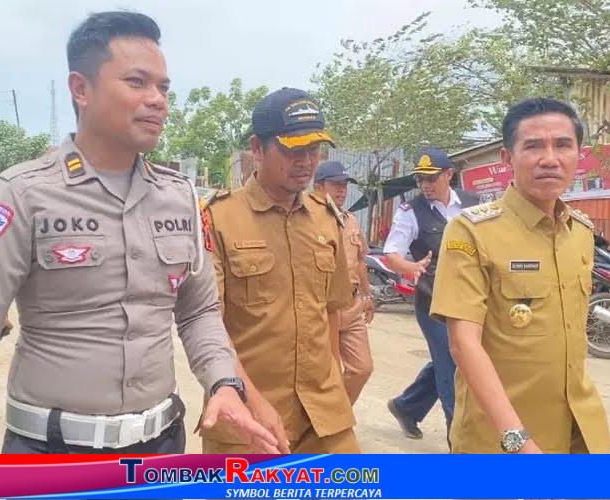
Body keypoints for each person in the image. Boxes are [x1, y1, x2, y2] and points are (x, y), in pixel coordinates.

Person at [0, 11, 277, 455]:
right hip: (52, 456)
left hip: (160, 448)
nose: (158, 100)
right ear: (80, 89)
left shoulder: (179, 197)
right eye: (137, 82)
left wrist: (224, 383)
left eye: (163, 88)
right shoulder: (23, 193)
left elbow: (198, 311)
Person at [431, 97, 610, 453]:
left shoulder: (580, 231)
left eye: (563, 145)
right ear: (507, 157)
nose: (550, 158)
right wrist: (517, 440)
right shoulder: (472, 231)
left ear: (578, 154)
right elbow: (463, 344)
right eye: (533, 146)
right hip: (500, 440)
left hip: (582, 431)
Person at [201, 88, 359, 454]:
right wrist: (251, 401)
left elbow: (331, 311)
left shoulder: (326, 218)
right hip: (248, 416)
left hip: (324, 416)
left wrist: (334, 383)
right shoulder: (218, 219)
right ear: (258, 148)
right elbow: (207, 326)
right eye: (292, 150)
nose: (306, 161)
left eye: (314, 149)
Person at [382, 148, 479, 440]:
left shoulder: (474, 204)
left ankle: (407, 407)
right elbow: (391, 254)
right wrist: (411, 267)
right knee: (452, 365)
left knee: (452, 358)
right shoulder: (410, 212)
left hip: (471, 299)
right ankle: (457, 442)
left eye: (431, 178)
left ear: (449, 174)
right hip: (432, 302)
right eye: (420, 179)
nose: (425, 185)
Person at [313, 160, 375, 403]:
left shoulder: (351, 221)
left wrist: (368, 296)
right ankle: (328, 419)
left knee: (362, 368)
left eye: (345, 185)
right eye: (336, 185)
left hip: (351, 305)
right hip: (321, 308)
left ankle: (339, 413)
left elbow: (360, 261)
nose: (342, 190)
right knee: (327, 373)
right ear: (319, 187)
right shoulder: (308, 221)